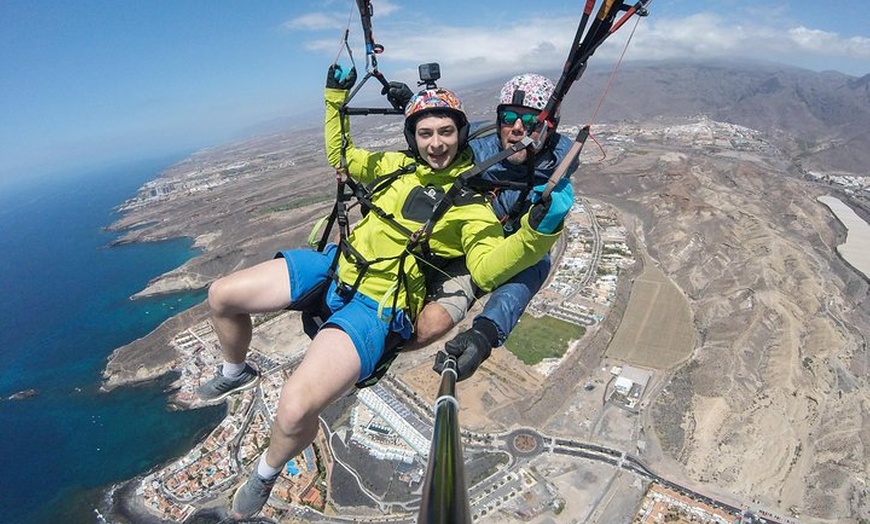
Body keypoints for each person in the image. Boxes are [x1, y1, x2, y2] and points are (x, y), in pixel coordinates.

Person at [196, 64, 573, 519]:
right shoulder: (395, 167)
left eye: (447, 133)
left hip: (377, 301)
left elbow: (488, 268)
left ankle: (264, 474)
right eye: (426, 133)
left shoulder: (472, 207)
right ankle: (234, 370)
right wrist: (335, 97)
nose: (436, 143)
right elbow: (342, 156)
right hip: (336, 266)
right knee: (220, 295)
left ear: (462, 136)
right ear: (413, 137)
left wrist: (539, 231)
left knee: (294, 409)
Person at [417, 73, 581, 381]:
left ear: (549, 127)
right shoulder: (476, 149)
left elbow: (531, 265)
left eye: (531, 121)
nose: (518, 128)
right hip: (456, 240)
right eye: (508, 117)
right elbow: (433, 148)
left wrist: (485, 334)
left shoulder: (555, 169)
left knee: (432, 325)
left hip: (495, 253)